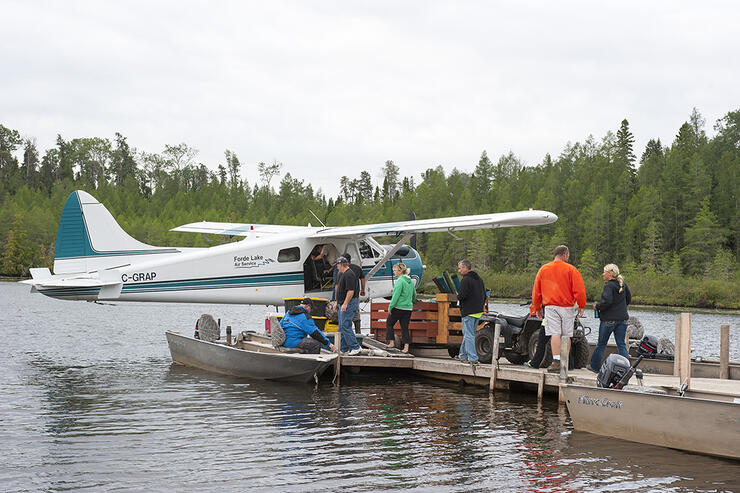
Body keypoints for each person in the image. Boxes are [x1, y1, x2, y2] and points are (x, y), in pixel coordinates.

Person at [531, 245, 586, 373]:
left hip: (550, 306)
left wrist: (537, 307)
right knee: (566, 335)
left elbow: (536, 292)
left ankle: (556, 361)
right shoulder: (571, 270)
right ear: (565, 255)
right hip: (567, 306)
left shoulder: (544, 269)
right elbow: (579, 290)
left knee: (555, 333)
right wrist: (581, 305)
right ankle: (565, 360)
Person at [587, 264, 632, 372]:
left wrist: (597, 306)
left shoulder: (609, 286)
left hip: (609, 320)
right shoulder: (623, 285)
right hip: (623, 319)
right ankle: (626, 369)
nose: (603, 274)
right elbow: (629, 299)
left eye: (604, 272)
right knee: (621, 344)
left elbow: (607, 302)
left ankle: (595, 366)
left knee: (601, 344)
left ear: (610, 274)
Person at [456, 259, 486, 364]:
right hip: (477, 311)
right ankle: (462, 355)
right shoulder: (479, 279)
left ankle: (473, 358)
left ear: (465, 268)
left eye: (460, 268)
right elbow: (484, 295)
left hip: (468, 311)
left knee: (469, 335)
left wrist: (458, 295)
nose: (459, 271)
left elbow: (462, 296)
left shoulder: (465, 280)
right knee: (469, 334)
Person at [385, 262, 416, 353]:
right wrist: (410, 302)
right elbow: (414, 295)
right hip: (408, 308)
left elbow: (396, 296)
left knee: (389, 323)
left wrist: (390, 307)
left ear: (400, 271)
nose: (394, 272)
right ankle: (406, 348)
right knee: (405, 327)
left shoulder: (400, 281)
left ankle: (391, 343)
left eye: (395, 270)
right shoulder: (410, 281)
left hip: (398, 307)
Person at [335, 256, 362, 354]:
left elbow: (351, 291)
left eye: (337, 265)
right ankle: (343, 348)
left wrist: (345, 304)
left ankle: (355, 347)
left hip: (349, 303)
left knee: (345, 325)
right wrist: (337, 301)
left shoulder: (349, 274)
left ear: (341, 264)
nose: (337, 267)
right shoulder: (342, 274)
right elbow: (339, 290)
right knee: (341, 326)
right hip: (343, 302)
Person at [342, 252, 366, 334]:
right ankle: (358, 333)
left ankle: (347, 333)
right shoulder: (357, 268)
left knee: (344, 316)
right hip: (355, 295)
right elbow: (363, 279)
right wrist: (363, 289)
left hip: (344, 296)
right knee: (356, 314)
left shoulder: (342, 270)